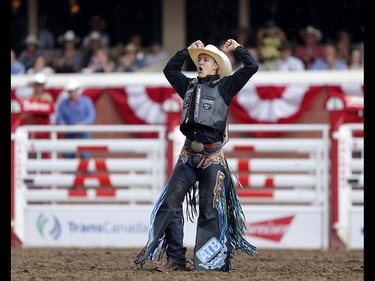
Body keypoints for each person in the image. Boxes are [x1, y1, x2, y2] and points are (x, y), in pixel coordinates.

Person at [134, 39, 259, 272]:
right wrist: (187, 51)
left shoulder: (226, 86)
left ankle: (208, 262)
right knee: (170, 203)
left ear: (216, 67)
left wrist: (238, 48)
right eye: (199, 59)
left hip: (212, 158)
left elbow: (252, 67)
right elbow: (169, 69)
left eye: (206, 60)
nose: (201, 62)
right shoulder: (188, 85)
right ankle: (176, 258)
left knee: (210, 210)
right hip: (188, 153)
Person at [55, 79, 96, 159]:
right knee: (69, 155)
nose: (71, 93)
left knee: (85, 155)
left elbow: (91, 116)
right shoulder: (64, 104)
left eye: (73, 91)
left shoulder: (86, 101)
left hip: (83, 132)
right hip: (70, 133)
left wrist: (83, 123)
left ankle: (86, 171)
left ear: (77, 90)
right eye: (70, 91)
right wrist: (61, 122)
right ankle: (70, 171)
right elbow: (59, 117)